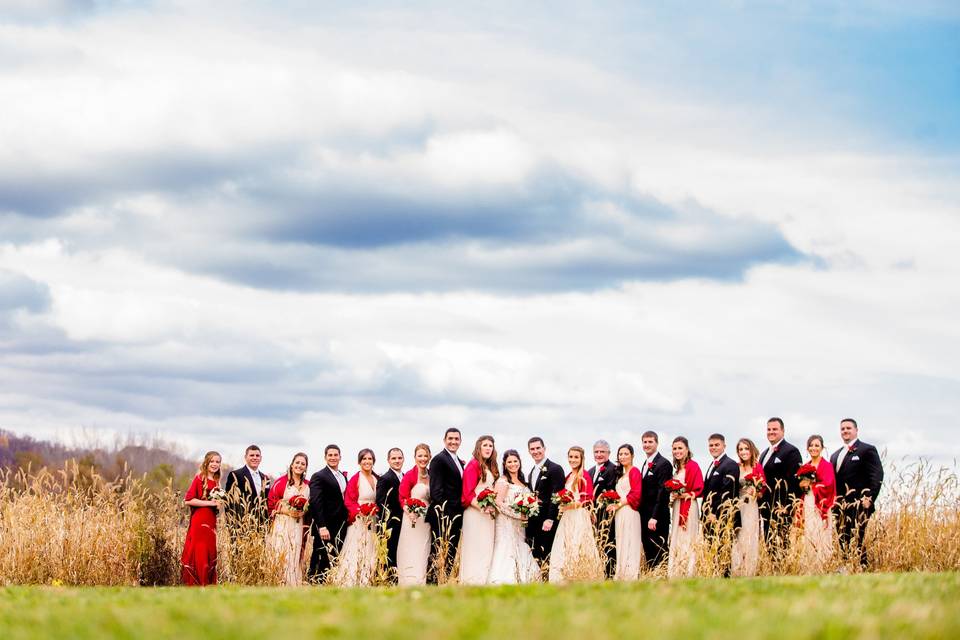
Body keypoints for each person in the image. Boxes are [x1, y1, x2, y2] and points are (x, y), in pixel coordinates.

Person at [830, 418, 884, 568]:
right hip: (840, 506)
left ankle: (862, 567)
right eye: (842, 429)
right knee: (843, 539)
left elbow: (877, 474)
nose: (845, 431)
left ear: (856, 430)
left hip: (860, 504)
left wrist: (870, 497)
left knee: (857, 538)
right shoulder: (835, 455)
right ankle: (847, 567)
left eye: (848, 428)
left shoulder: (867, 450)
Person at [548, 446, 602, 583]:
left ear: (581, 458)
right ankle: (564, 576)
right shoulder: (568, 476)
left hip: (578, 515)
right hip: (567, 516)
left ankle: (581, 576)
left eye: (576, 457)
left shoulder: (584, 476)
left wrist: (572, 505)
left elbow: (588, 498)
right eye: (571, 457)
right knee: (564, 544)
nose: (573, 460)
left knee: (577, 543)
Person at [488, 449, 541, 584]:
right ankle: (503, 579)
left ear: (519, 462)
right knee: (506, 548)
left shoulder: (523, 481)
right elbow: (498, 503)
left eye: (515, 461)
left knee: (520, 546)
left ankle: (523, 577)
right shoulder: (503, 481)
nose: (513, 464)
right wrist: (518, 515)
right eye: (509, 462)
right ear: (505, 465)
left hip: (520, 526)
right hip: (506, 523)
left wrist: (529, 510)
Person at [331, 449, 380, 587]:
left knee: (370, 549)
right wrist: (360, 513)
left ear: (373, 461)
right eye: (364, 459)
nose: (367, 461)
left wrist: (374, 512)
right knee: (356, 549)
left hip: (373, 520)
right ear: (359, 462)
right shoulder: (355, 479)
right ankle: (351, 580)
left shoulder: (377, 479)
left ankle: (368, 579)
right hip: (359, 520)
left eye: (370, 459)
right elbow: (349, 501)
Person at [758, 417, 802, 556]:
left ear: (782, 431)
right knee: (768, 541)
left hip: (780, 508)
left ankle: (782, 572)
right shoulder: (764, 453)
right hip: (765, 507)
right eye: (769, 429)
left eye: (775, 429)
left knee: (781, 543)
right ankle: (772, 573)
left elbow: (795, 482)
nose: (771, 432)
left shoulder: (791, 451)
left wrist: (788, 506)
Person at [427, 428, 466, 582]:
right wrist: (447, 513)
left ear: (460, 441)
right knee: (439, 552)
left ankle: (444, 580)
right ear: (444, 440)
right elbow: (436, 492)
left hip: (455, 515)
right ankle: (433, 582)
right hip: (443, 516)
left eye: (456, 439)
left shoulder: (457, 461)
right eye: (450, 438)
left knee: (450, 552)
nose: (453, 441)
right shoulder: (438, 459)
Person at [459, 435, 499, 585]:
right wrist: (483, 507)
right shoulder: (473, 465)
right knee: (475, 547)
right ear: (479, 447)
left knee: (486, 546)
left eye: (490, 446)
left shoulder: (490, 467)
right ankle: (472, 581)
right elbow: (467, 495)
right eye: (485, 445)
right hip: (475, 513)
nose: (488, 448)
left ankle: (484, 580)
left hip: (487, 513)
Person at [266, 452, 310, 585]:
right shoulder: (281, 482)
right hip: (283, 523)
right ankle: (278, 581)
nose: (299, 466)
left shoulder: (308, 485)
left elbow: (310, 504)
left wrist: (303, 512)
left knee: (295, 551)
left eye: (303, 464)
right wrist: (286, 511)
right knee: (282, 551)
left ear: (306, 467)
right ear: (292, 465)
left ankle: (293, 582)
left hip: (298, 524)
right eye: (297, 463)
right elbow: (272, 503)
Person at [308, 444, 349, 582]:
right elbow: (315, 502)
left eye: (335, 455)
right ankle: (314, 582)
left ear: (340, 457)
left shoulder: (343, 476)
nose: (333, 458)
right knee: (320, 556)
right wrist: (322, 526)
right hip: (326, 525)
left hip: (341, 524)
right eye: (330, 455)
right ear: (325, 457)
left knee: (334, 557)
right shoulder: (319, 476)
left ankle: (330, 583)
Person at [796, 435, 836, 573]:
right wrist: (803, 485)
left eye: (816, 445)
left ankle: (824, 567)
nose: (814, 448)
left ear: (822, 448)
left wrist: (813, 485)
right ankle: (810, 567)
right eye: (811, 445)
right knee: (809, 533)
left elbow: (829, 485)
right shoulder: (805, 467)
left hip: (821, 503)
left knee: (822, 534)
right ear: (807, 448)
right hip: (808, 502)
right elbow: (800, 487)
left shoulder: (827, 466)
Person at [181, 451, 223, 586]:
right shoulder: (199, 478)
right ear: (206, 462)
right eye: (212, 461)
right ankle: (198, 582)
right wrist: (210, 503)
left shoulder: (217, 481)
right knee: (200, 550)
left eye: (218, 462)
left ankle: (208, 583)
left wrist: (218, 504)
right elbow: (188, 500)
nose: (215, 464)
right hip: (199, 521)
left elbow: (215, 504)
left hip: (211, 520)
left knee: (210, 550)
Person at [701, 433, 740, 575]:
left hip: (722, 517)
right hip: (709, 517)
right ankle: (715, 575)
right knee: (712, 550)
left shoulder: (730, 465)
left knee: (723, 550)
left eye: (717, 445)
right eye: (711, 445)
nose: (713, 448)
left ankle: (725, 577)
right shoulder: (712, 465)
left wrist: (716, 514)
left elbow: (728, 492)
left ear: (724, 446)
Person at [667, 437, 704, 578]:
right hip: (677, 506)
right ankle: (676, 571)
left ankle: (688, 571)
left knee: (687, 536)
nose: (677, 451)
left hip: (689, 507)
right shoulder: (677, 469)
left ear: (687, 449)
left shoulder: (693, 466)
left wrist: (688, 494)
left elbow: (699, 487)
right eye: (675, 448)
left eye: (680, 448)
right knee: (677, 536)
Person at [526, 437, 566, 565]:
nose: (535, 451)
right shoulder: (531, 472)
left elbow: (556, 496)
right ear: (529, 451)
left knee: (548, 553)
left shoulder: (555, 468)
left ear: (544, 449)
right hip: (534, 521)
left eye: (538, 448)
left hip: (547, 522)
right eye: (532, 449)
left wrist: (550, 519)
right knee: (537, 554)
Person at [397, 444, 432, 586]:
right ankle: (408, 580)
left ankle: (420, 580)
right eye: (420, 456)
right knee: (410, 548)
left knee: (423, 549)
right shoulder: (410, 476)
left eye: (425, 456)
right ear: (415, 458)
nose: (423, 459)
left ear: (429, 457)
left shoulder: (431, 475)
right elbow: (402, 497)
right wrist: (410, 512)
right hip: (411, 518)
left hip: (425, 519)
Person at [731, 438, 766, 577]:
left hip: (751, 505)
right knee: (738, 536)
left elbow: (762, 488)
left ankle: (749, 570)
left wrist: (756, 492)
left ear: (751, 450)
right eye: (741, 449)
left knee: (750, 535)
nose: (743, 452)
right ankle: (737, 569)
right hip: (738, 505)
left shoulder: (757, 466)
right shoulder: (736, 467)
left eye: (746, 448)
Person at [607, 444, 643, 581]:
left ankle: (631, 574)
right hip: (620, 513)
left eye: (626, 454)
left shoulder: (635, 472)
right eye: (620, 454)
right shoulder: (621, 475)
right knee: (621, 541)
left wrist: (618, 505)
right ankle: (621, 573)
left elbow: (636, 494)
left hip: (629, 511)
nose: (622, 457)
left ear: (632, 455)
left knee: (630, 541)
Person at [639, 431, 672, 568]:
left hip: (657, 516)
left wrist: (654, 517)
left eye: (650, 442)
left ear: (657, 443)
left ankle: (662, 577)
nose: (647, 445)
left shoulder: (664, 464)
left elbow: (662, 492)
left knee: (659, 548)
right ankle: (652, 578)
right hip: (645, 514)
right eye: (645, 442)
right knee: (648, 549)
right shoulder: (645, 464)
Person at [588, 439, 618, 577]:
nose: (599, 454)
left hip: (606, 514)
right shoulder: (590, 471)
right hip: (593, 515)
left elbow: (612, 491)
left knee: (608, 543)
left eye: (602, 452)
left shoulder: (613, 469)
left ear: (609, 453)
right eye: (596, 452)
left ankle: (609, 574)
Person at [224, 444, 271, 529]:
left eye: (257, 455)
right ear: (245, 457)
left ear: (261, 458)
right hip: (241, 524)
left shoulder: (265, 478)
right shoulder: (236, 475)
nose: (255, 458)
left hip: (261, 524)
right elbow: (229, 501)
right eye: (251, 455)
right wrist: (233, 524)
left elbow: (267, 501)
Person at [376, 447, 405, 578]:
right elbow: (381, 503)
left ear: (403, 459)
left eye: (399, 458)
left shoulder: (405, 477)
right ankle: (389, 580)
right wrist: (387, 523)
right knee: (390, 554)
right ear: (388, 460)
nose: (397, 461)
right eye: (394, 458)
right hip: (391, 524)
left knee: (401, 552)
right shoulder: (385, 479)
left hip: (405, 523)